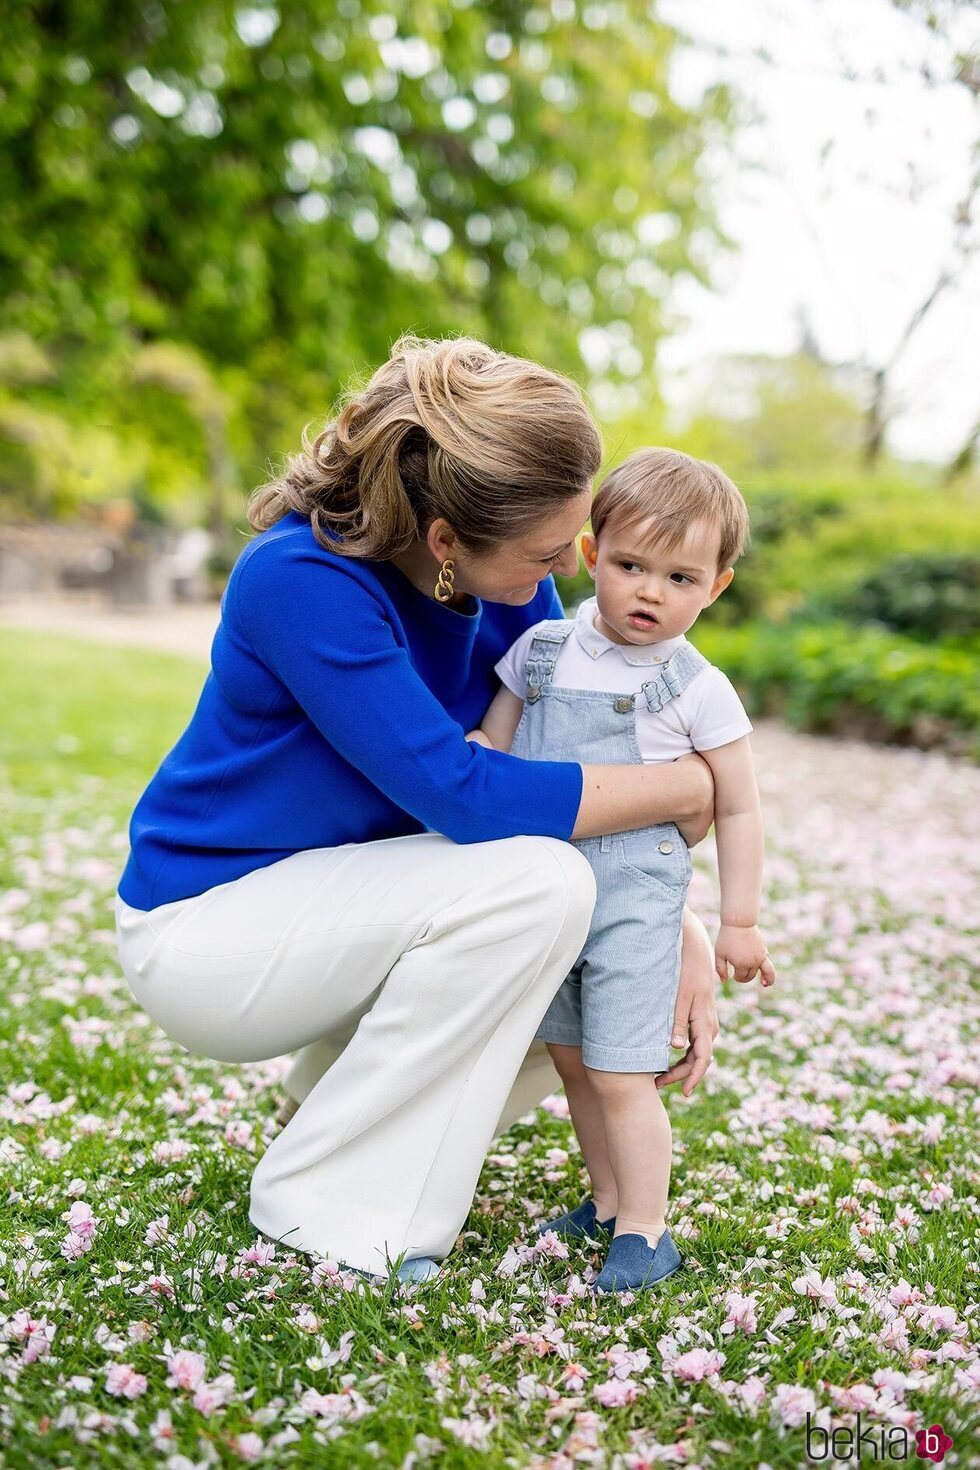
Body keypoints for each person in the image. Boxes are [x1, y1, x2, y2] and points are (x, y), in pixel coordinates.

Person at [113, 338, 719, 1285]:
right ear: (446, 542)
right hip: (210, 933)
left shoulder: (510, 578)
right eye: (548, 554)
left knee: (594, 939)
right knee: (540, 887)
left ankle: (334, 1109)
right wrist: (688, 788)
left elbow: (549, 759)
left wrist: (668, 914)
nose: (569, 570)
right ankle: (331, 1209)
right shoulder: (299, 580)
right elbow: (464, 794)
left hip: (348, 907)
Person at [469, 447, 776, 1293]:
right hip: (547, 892)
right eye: (632, 566)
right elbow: (498, 740)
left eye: (680, 578)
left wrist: (739, 920)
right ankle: (605, 1201)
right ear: (591, 556)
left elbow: (739, 805)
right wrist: (480, 753)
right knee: (570, 1058)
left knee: (619, 1069)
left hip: (636, 902)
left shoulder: (696, 687)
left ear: (716, 588)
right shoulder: (541, 650)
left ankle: (647, 1228)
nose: (650, 592)